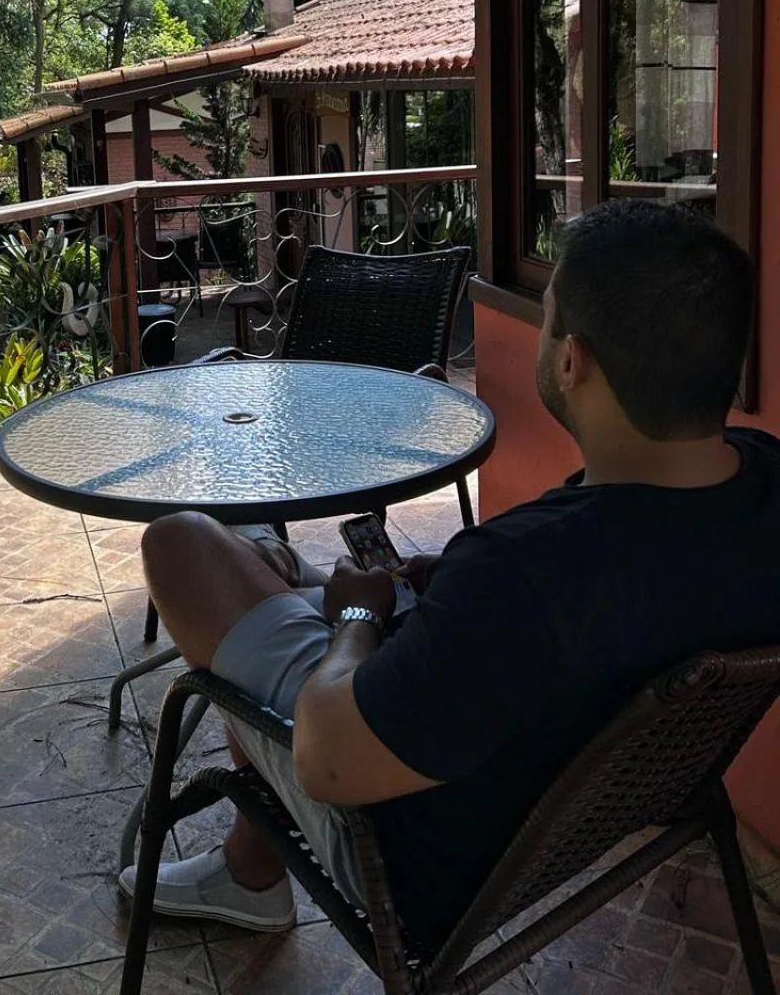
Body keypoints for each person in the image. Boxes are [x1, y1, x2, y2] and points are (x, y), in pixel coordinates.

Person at [119, 200, 780, 955]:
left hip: (406, 846)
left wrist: (360, 621)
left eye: (550, 309)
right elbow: (598, 600)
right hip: (546, 809)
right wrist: (435, 591)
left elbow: (327, 761)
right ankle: (249, 852)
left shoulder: (518, 577)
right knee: (266, 563)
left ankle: (251, 870)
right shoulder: (763, 486)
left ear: (573, 362)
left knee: (181, 543)